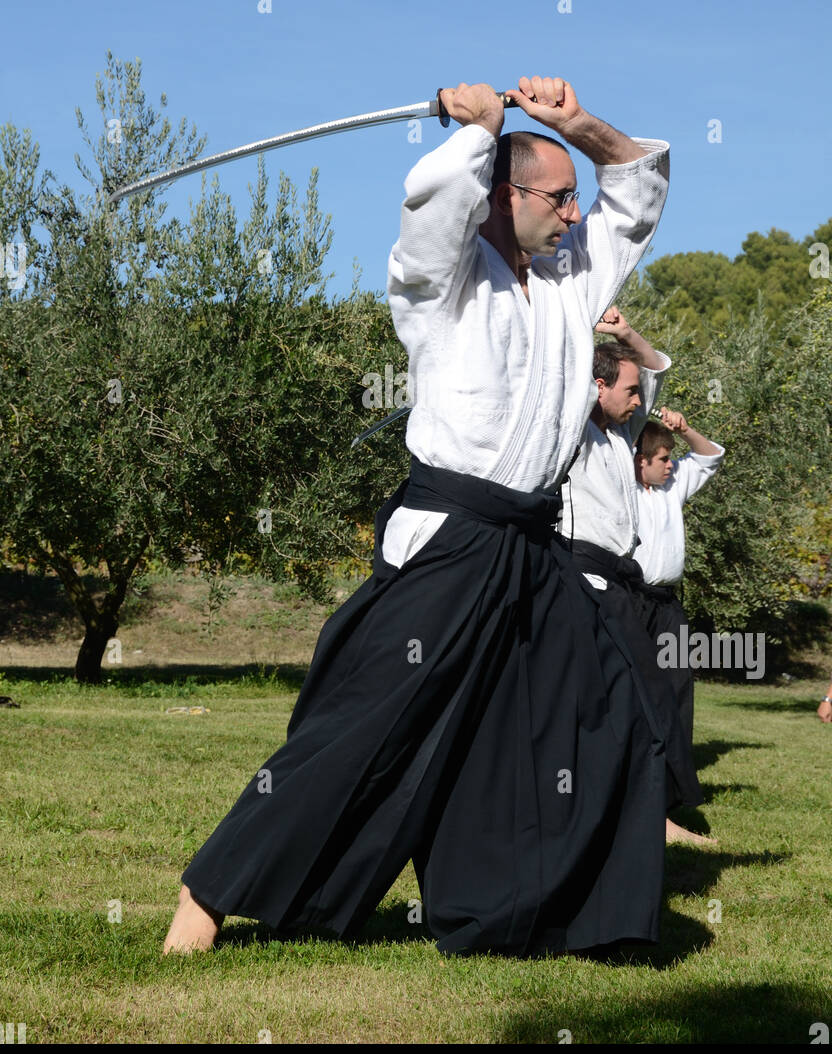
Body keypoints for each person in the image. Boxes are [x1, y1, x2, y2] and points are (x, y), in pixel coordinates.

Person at [164, 75, 672, 958]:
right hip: (449, 537)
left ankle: (523, 913)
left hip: (532, 544)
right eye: (557, 196)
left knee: (595, 712)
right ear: (503, 196)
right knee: (370, 722)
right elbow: (430, 216)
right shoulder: (442, 282)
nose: (574, 212)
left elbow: (635, 190)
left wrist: (576, 125)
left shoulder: (569, 281)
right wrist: (477, 132)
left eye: (572, 199)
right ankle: (207, 898)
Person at [557, 312, 709, 840]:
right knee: (628, 696)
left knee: (646, 697)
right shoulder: (572, 424)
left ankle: (651, 813)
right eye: (626, 390)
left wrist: (623, 334)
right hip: (581, 575)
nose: (638, 400)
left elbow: (654, 367)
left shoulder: (622, 436)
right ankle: (637, 816)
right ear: (596, 386)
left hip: (616, 579)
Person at [634, 410, 725, 842]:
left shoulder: (672, 487)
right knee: (633, 699)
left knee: (675, 695)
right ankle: (635, 803)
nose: (672, 464)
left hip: (667, 608)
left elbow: (709, 457)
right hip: (629, 603)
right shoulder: (618, 489)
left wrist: (683, 429)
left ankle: (668, 805)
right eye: (665, 458)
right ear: (640, 461)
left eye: (672, 458)